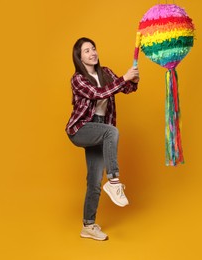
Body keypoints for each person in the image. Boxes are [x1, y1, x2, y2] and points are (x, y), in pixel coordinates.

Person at [65, 37, 139, 241]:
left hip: (100, 125)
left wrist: (133, 79)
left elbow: (125, 88)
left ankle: (88, 226)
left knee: (95, 181)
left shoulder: (105, 72)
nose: (92, 53)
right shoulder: (78, 79)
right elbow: (98, 94)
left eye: (94, 49)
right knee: (111, 132)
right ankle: (114, 181)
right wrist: (124, 78)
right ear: (80, 58)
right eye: (87, 51)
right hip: (81, 128)